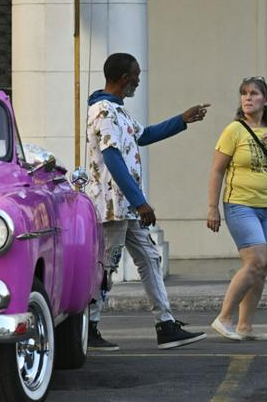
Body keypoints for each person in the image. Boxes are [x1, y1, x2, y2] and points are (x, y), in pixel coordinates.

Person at [86, 52, 209, 350]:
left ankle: (165, 325)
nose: (139, 80)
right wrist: (140, 201)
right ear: (124, 78)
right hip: (113, 207)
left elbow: (143, 135)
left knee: (150, 259)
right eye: (136, 75)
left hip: (126, 207)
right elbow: (112, 158)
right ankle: (88, 327)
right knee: (106, 266)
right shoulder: (103, 111)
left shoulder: (119, 110)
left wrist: (182, 119)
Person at [207, 76, 267, 341]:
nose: (248, 98)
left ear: (266, 100)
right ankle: (224, 318)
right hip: (240, 205)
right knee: (255, 261)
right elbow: (217, 170)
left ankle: (245, 327)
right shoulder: (234, 130)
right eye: (244, 93)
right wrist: (212, 207)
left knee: (262, 268)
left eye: (254, 94)